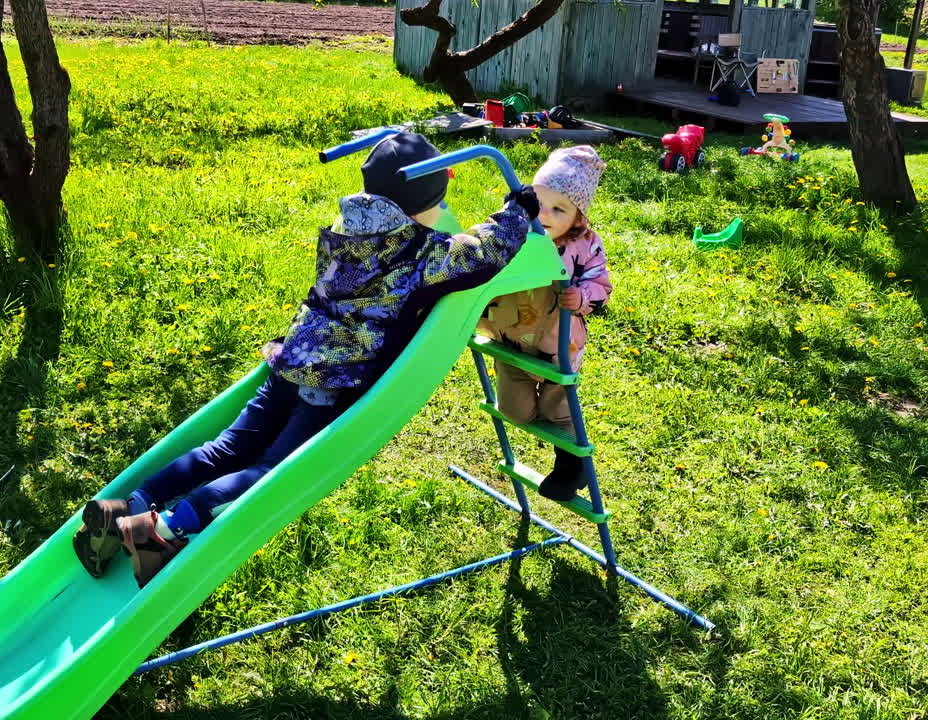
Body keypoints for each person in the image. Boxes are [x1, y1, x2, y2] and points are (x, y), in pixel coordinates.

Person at [74, 132, 542, 587]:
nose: (441, 213)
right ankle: (164, 529)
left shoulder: (346, 228)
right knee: (271, 472)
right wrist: (517, 211)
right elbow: (485, 251)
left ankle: (129, 505)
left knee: (226, 449)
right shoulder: (421, 253)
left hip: (291, 355)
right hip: (333, 380)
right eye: (438, 203)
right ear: (420, 207)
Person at [477, 145, 613, 501]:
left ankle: (570, 468)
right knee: (515, 411)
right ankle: (526, 408)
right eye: (540, 203)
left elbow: (601, 285)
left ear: (579, 216)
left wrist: (582, 298)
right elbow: (486, 243)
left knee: (559, 412)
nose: (546, 215)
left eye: (559, 209)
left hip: (558, 344)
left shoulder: (586, 245)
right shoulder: (520, 231)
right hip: (511, 340)